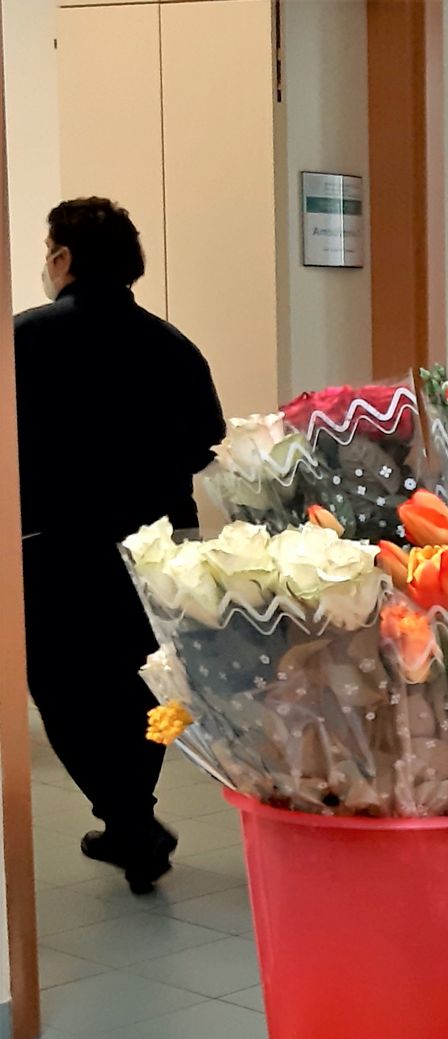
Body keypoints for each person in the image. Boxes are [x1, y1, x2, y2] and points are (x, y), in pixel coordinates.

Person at [14, 197, 222, 894]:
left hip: (54, 546)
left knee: (64, 690)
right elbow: (206, 443)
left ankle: (127, 818)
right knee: (147, 685)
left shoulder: (22, 339)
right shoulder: (172, 344)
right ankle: (132, 813)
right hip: (157, 548)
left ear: (62, 257)